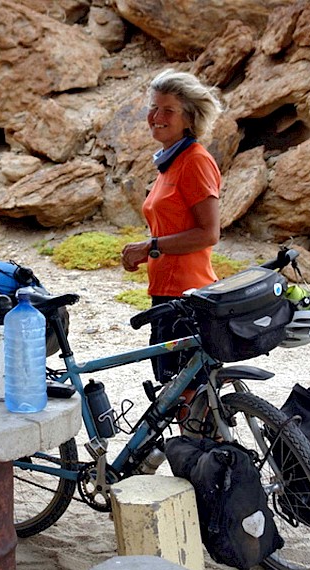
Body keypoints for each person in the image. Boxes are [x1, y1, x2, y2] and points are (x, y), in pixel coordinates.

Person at [121, 68, 223, 402]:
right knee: (180, 399)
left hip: (187, 297)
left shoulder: (194, 161)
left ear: (190, 118)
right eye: (154, 107)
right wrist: (150, 251)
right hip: (167, 294)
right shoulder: (171, 162)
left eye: (168, 110)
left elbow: (208, 233)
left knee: (189, 401)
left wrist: (150, 246)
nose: (156, 116)